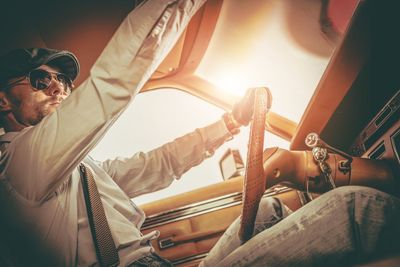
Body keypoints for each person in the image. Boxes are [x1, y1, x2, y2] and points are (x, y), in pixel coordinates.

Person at [1, 1, 399, 267]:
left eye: (64, 82)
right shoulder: (18, 166)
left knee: (270, 210)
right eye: (40, 80)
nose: (58, 88)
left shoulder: (82, 172)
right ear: (4, 100)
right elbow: (110, 86)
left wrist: (232, 121)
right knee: (356, 209)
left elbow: (158, 165)